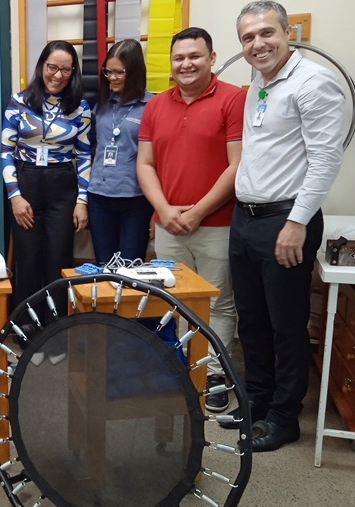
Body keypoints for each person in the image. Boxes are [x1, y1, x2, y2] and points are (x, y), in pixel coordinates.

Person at [224, 1, 345, 452]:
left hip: (286, 221)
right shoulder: (260, 81)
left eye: (266, 33)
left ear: (287, 32)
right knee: (251, 321)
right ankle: (256, 402)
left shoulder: (314, 83)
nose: (257, 44)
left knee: (286, 324)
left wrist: (297, 223)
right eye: (248, 37)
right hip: (247, 218)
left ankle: (283, 418)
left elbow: (325, 160)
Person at [136, 27, 245, 413]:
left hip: (217, 223)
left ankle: (213, 374)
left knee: (218, 302)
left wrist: (198, 211)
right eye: (179, 57)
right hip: (168, 224)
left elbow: (238, 165)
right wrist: (164, 210)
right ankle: (185, 367)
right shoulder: (155, 105)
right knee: (173, 300)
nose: (186, 64)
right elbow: (145, 164)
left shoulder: (234, 99)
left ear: (212, 58)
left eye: (195, 56)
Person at [1, 40, 91, 321]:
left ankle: (54, 327)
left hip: (62, 186)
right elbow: (5, 151)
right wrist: (14, 196)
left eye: (66, 69)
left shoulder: (81, 107)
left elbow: (85, 155)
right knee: (27, 262)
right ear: (42, 66)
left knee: (58, 261)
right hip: (25, 184)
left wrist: (81, 201)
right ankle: (26, 326)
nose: (58, 75)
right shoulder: (19, 101)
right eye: (52, 67)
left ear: (73, 71)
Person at [87, 39, 153, 264]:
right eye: (108, 72)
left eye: (119, 72)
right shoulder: (102, 103)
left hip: (135, 199)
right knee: (104, 265)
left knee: (130, 267)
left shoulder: (152, 105)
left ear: (134, 71)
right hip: (99, 197)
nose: (112, 77)